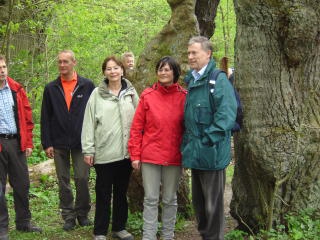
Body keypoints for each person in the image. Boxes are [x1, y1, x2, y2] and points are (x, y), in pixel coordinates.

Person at [181, 36, 237, 240]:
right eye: (189, 53)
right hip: (196, 154)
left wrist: (207, 140)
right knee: (199, 204)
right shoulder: (193, 80)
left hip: (211, 154)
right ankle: (206, 236)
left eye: (194, 52)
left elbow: (227, 114)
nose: (190, 56)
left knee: (213, 205)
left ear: (208, 54)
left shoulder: (217, 80)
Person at [128, 56, 187, 240]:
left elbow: (189, 129)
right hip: (150, 155)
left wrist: (188, 154)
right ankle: (149, 235)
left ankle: (168, 235)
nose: (163, 72)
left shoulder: (184, 97)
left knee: (170, 199)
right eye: (160, 69)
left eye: (167, 69)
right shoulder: (147, 95)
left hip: (174, 156)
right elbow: (137, 128)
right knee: (151, 199)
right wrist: (135, 155)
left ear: (175, 72)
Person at [82, 56, 138, 240]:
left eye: (116, 68)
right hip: (104, 153)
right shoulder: (97, 94)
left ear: (122, 70)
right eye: (109, 69)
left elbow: (139, 120)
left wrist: (137, 148)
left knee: (121, 193)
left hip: (125, 154)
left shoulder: (130, 92)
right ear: (104, 72)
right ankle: (100, 231)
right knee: (103, 193)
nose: (113, 72)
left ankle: (119, 228)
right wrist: (88, 149)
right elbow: (89, 123)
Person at [40, 50, 95, 231]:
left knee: (81, 177)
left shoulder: (87, 86)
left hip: (82, 141)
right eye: (59, 62)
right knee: (63, 180)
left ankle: (82, 213)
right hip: (59, 141)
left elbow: (94, 114)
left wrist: (93, 140)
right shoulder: (51, 88)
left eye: (66, 62)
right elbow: (45, 117)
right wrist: (47, 142)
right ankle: (68, 216)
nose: (62, 65)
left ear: (74, 63)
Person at [0, 55, 42, 240]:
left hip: (16, 143)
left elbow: (27, 118)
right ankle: (2, 227)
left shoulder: (16, 89)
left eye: (3, 66)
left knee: (22, 184)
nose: (2, 70)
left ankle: (24, 222)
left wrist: (28, 142)